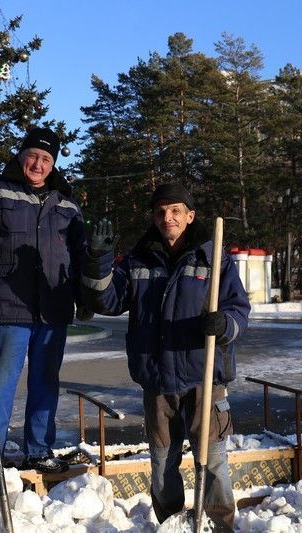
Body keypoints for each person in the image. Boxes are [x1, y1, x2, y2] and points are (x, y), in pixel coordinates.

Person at [80, 183, 250, 526]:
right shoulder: (139, 258)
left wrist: (224, 324)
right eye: (160, 211)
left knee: (213, 458)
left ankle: (221, 523)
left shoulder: (213, 257)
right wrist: (98, 263)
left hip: (204, 375)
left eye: (175, 211)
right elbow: (109, 301)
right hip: (157, 378)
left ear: (190, 216)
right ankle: (171, 521)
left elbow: (239, 310)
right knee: (161, 460)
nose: (167, 217)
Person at [0, 127, 88, 474]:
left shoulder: (67, 203)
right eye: (33, 156)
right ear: (21, 156)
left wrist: (87, 294)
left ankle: (39, 449)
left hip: (53, 307)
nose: (38, 164)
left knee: (45, 382)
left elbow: (81, 254)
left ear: (53, 164)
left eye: (46, 159)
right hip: (9, 302)